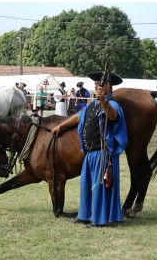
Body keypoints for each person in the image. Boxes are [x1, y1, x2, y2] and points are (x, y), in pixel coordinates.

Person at [51, 71, 128, 227]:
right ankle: (84, 215)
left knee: (99, 187)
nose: (96, 85)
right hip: (90, 153)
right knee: (86, 186)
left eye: (100, 83)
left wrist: (103, 101)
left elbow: (112, 116)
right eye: (96, 83)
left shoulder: (112, 104)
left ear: (109, 86)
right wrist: (60, 126)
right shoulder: (92, 105)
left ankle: (99, 220)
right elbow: (78, 117)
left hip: (103, 153)